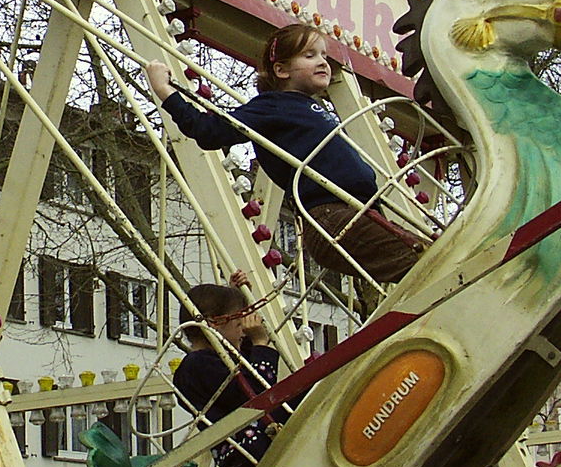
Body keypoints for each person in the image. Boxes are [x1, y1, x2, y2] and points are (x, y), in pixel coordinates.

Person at [146, 24, 423, 284]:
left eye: (324, 55)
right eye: (310, 55)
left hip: (359, 211)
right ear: (281, 70)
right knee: (425, 264)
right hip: (332, 215)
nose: (322, 62)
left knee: (432, 259)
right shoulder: (273, 106)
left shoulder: (310, 109)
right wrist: (166, 92)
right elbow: (209, 131)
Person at [171, 277, 282, 467]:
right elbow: (255, 395)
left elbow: (244, 364)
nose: (243, 331)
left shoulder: (208, 363)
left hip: (245, 453)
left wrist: (239, 297)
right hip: (251, 449)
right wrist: (261, 343)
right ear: (215, 322)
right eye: (239, 323)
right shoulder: (198, 365)